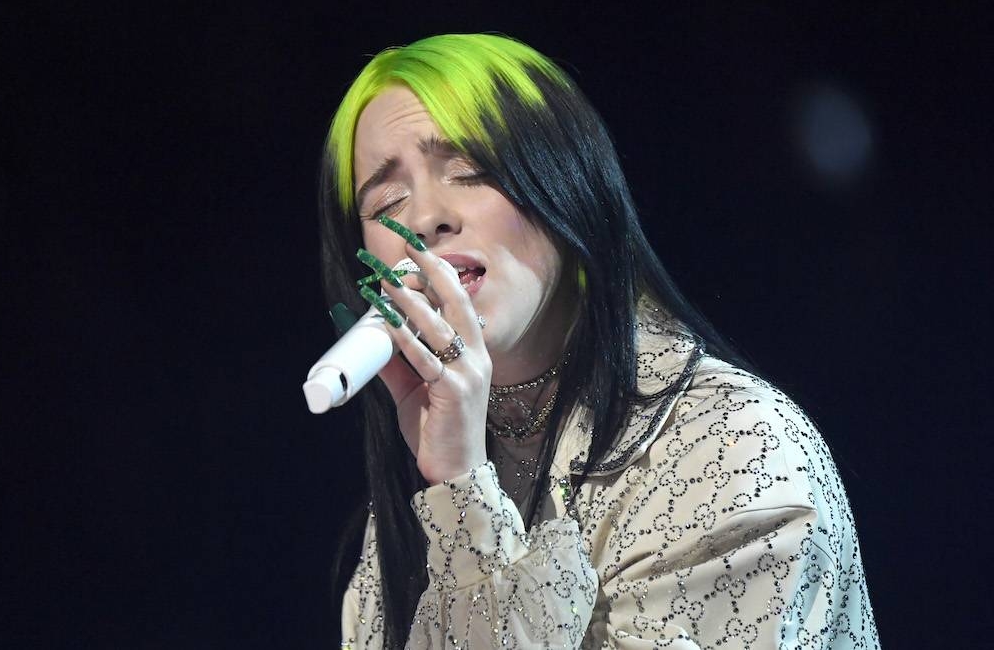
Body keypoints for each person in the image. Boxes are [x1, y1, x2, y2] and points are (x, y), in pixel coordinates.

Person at [316, 33, 880, 649]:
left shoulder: (733, 450)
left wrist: (463, 497)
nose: (425, 218)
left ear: (568, 184)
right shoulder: (401, 530)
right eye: (388, 201)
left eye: (471, 169)